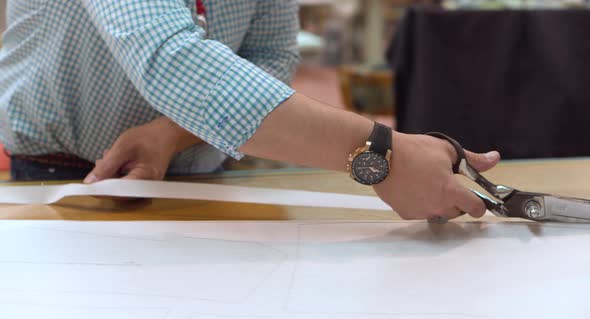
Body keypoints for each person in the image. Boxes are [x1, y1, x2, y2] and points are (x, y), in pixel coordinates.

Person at [0, 0, 500, 221]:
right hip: (60, 183)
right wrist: (380, 155)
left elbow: (272, 57)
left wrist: (171, 135)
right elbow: (172, 59)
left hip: (204, 179)